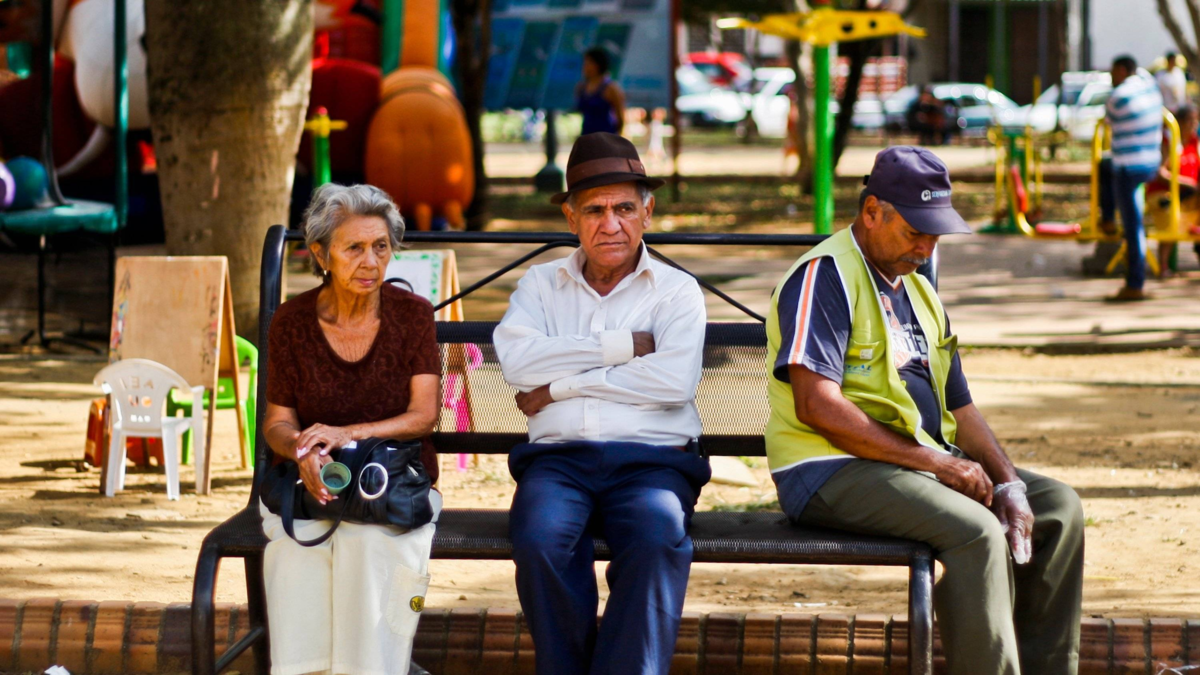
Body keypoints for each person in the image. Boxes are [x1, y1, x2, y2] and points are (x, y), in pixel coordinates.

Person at [766, 146, 1085, 675]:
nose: (926, 245)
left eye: (934, 232)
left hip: (908, 464)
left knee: (1058, 509)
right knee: (974, 529)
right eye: (915, 229)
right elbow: (816, 405)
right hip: (827, 468)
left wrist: (1007, 483)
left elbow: (960, 405)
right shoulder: (824, 276)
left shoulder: (919, 290)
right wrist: (937, 464)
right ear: (872, 212)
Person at [494, 132, 710, 674]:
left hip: (653, 463)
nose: (610, 224)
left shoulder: (676, 291)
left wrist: (561, 386)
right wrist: (620, 348)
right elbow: (518, 365)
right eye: (594, 210)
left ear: (648, 212)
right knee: (541, 539)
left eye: (624, 208)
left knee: (658, 534)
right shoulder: (541, 285)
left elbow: (671, 384)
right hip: (559, 463)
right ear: (571, 219)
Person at [260, 183, 442, 675]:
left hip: (393, 484)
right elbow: (277, 420)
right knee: (295, 555)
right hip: (310, 484)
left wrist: (346, 434)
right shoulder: (291, 322)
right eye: (354, 248)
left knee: (370, 547)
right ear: (320, 254)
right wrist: (302, 449)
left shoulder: (412, 315)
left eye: (380, 246)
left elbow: (425, 415)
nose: (370, 262)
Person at [1098, 54, 1164, 301]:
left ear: (1124, 71)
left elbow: (1108, 121)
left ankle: (1135, 282)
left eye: (1114, 72)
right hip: (1150, 162)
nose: (1111, 77)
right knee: (1104, 167)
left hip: (1128, 166)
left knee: (1133, 226)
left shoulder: (1118, 97)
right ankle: (1107, 217)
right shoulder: (1149, 86)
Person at [1148, 104, 1200, 274]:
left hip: (1189, 194)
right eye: (1189, 121)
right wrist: (1186, 183)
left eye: (1195, 121)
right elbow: (1160, 173)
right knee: (1172, 215)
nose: (1193, 125)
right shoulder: (1168, 141)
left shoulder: (1195, 143)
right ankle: (1164, 265)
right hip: (1165, 193)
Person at [576, 47, 626, 136]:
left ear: (598, 64)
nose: (585, 65)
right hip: (587, 134)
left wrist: (618, 138)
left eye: (589, 62)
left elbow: (620, 117)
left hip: (606, 135)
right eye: (585, 62)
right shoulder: (581, 87)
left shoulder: (611, 88)